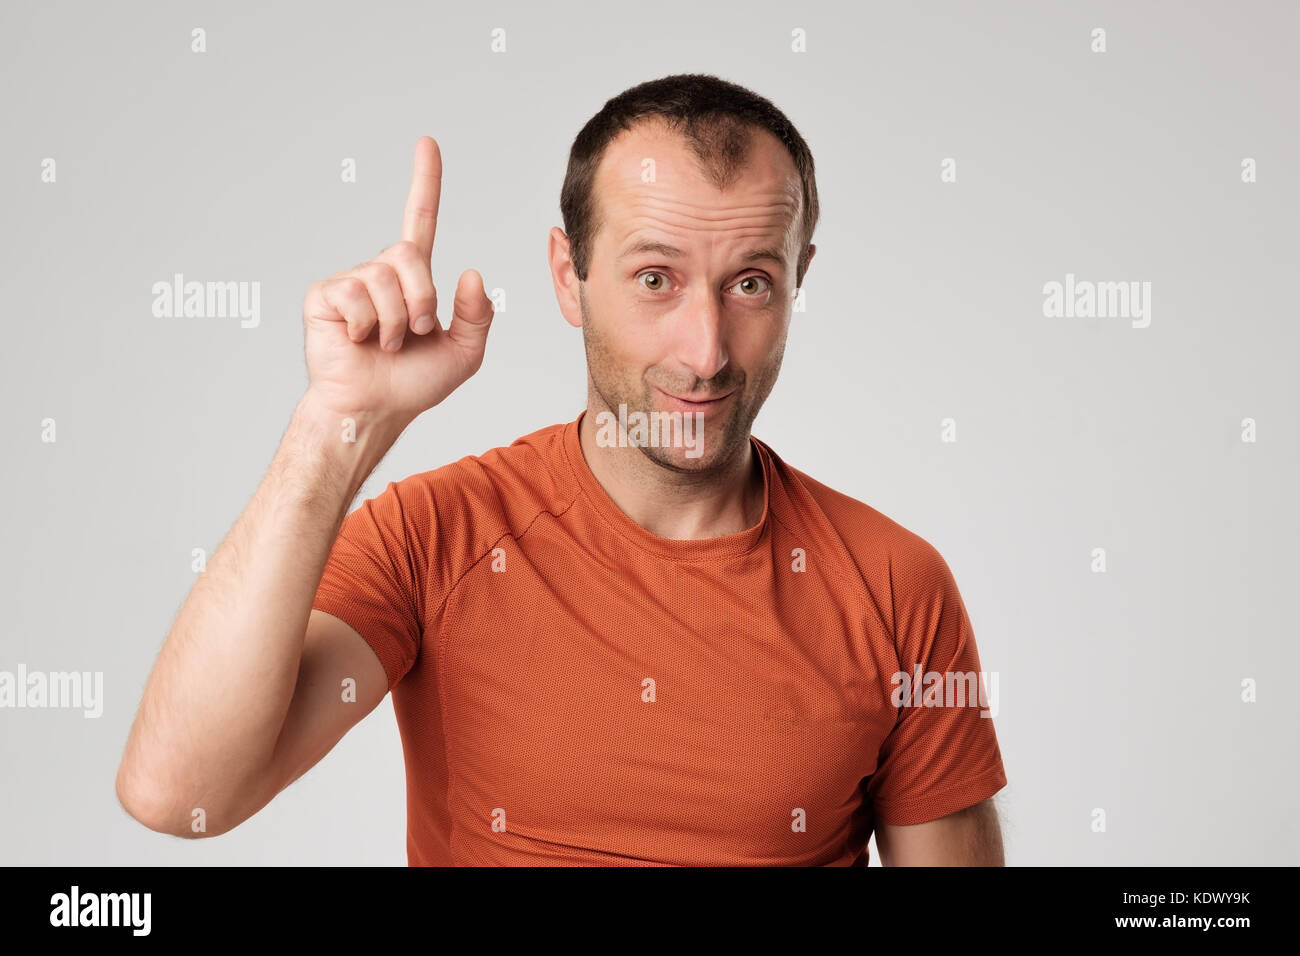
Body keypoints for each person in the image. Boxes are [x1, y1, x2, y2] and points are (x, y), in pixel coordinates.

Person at [116, 73, 1007, 866]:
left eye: (750, 284)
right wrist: (336, 426)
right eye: (655, 279)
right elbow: (179, 794)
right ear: (568, 276)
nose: (703, 353)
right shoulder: (438, 539)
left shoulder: (895, 586)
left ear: (798, 279)